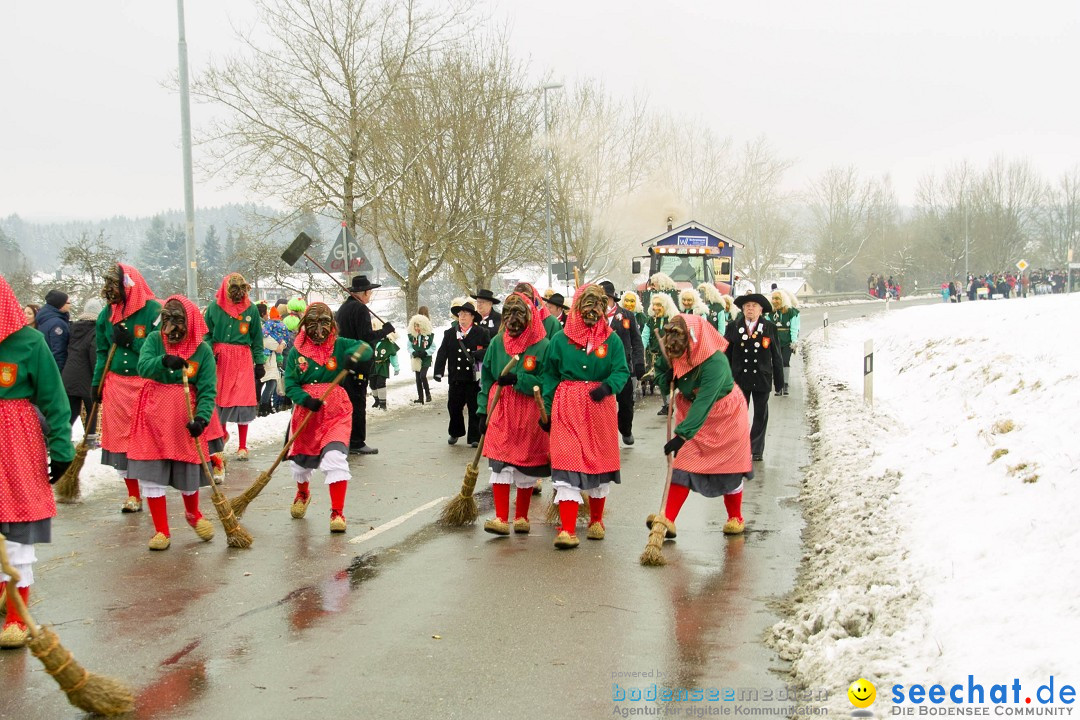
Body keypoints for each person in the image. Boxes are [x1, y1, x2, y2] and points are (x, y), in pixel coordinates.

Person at [0, 276, 75, 649]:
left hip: (14, 444)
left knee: (15, 529)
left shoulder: (29, 343)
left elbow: (54, 398)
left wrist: (62, 449)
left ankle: (16, 617)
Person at [127, 296, 226, 551]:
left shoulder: (202, 350)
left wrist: (202, 418)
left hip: (184, 417)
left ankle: (193, 514)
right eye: (167, 319)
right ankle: (161, 530)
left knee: (186, 471)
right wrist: (162, 362)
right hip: (152, 415)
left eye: (178, 320)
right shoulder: (154, 340)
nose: (171, 327)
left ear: (190, 322)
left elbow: (207, 390)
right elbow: (142, 367)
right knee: (152, 474)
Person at [647, 314, 752, 540]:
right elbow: (663, 384)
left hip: (724, 416)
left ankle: (735, 517)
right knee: (682, 465)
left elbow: (705, 401)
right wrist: (665, 374)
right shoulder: (675, 351)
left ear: (694, 342)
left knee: (730, 468)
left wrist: (681, 436)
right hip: (692, 413)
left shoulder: (715, 363)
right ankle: (668, 519)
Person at [541, 284, 630, 549]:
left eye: (597, 307)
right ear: (578, 309)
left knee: (597, 463)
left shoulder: (611, 339)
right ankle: (567, 530)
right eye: (587, 307)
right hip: (567, 406)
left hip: (599, 408)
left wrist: (608, 386)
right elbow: (549, 375)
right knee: (567, 463)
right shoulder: (559, 340)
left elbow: (622, 371)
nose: (592, 313)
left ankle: (596, 521)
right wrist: (545, 409)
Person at [283, 302, 372, 533]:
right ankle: (302, 493)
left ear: (332, 324)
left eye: (324, 323)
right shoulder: (296, 352)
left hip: (336, 410)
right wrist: (304, 398)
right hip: (308, 412)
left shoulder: (340, 344)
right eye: (313, 324)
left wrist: (355, 356)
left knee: (335, 457)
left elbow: (366, 347)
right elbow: (290, 384)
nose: (319, 329)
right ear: (304, 325)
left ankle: (337, 512)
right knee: (301, 462)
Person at [476, 292, 550, 536]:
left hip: (528, 410)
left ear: (529, 315)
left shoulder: (542, 345)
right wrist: (480, 410)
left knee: (524, 465)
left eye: (519, 313)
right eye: (508, 313)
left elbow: (547, 380)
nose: (512, 319)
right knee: (500, 461)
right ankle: (500, 518)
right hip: (500, 408)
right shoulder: (497, 343)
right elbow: (486, 377)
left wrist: (520, 379)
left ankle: (521, 517)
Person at [93, 263, 162, 513]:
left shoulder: (153, 310)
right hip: (116, 386)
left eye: (114, 284)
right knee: (120, 440)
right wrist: (96, 382)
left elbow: (160, 349)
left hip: (145, 384)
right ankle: (133, 494)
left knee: (144, 439)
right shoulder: (106, 314)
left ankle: (152, 489)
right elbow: (102, 351)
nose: (109, 290)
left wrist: (132, 341)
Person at [204, 273, 264, 461]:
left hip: (242, 358)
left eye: (242, 289)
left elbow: (256, 337)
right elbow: (206, 334)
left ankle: (243, 445)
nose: (238, 294)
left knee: (242, 399)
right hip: (220, 358)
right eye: (234, 290)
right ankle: (220, 435)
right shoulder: (214, 308)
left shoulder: (251, 310)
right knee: (220, 398)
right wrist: (208, 353)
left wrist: (260, 361)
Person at [335, 275, 393, 455]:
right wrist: (385, 331)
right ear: (365, 292)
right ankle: (357, 441)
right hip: (358, 362)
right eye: (370, 292)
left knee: (346, 403)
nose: (370, 295)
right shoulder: (360, 309)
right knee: (358, 402)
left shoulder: (342, 309)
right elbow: (366, 338)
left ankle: (345, 438)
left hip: (343, 363)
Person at [724, 294, 784, 461]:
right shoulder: (734, 326)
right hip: (739, 377)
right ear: (743, 309)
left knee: (760, 413)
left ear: (761, 309)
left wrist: (779, 383)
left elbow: (777, 355)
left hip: (761, 377)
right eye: (747, 306)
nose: (750, 308)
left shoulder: (769, 327)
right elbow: (725, 353)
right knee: (738, 414)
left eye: (754, 306)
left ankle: (756, 449)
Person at [433, 300, 489, 447]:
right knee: (454, 406)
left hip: (473, 378)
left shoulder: (481, 333)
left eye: (466, 314)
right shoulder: (450, 333)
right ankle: (455, 432)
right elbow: (442, 353)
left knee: (474, 407)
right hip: (456, 378)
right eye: (460, 314)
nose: (462, 316)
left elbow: (490, 351)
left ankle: (474, 437)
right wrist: (438, 372)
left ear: (472, 317)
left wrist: (480, 353)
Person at [599, 281, 645, 445]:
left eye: (604, 298)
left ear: (612, 298)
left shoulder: (627, 315)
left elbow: (637, 341)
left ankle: (625, 429)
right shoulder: (595, 316)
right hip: (602, 367)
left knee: (626, 403)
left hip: (624, 366)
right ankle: (605, 437)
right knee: (603, 403)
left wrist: (639, 362)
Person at [62, 298, 102, 429]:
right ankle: (89, 441)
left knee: (70, 413)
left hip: (69, 376)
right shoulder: (96, 331)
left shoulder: (73, 328)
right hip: (87, 378)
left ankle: (62, 438)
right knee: (92, 412)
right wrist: (99, 377)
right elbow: (94, 356)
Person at [642, 292, 678, 414]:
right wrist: (641, 349)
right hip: (653, 355)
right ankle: (667, 405)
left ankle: (669, 404)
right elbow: (645, 336)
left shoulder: (673, 319)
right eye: (654, 304)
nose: (655, 308)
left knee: (665, 381)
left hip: (668, 356)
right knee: (660, 381)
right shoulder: (650, 320)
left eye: (659, 305)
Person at [767, 289, 800, 396]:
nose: (775, 301)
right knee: (776, 363)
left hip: (786, 342)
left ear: (783, 300)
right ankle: (778, 385)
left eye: (777, 299)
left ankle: (785, 384)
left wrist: (794, 341)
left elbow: (794, 328)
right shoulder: (770, 313)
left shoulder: (791, 312)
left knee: (785, 361)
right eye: (773, 298)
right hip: (774, 342)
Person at [36, 290, 71, 372]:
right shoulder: (57, 324)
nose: (70, 305)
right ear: (61, 304)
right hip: (55, 369)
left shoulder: (44, 318)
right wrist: (58, 373)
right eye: (68, 303)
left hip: (44, 365)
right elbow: (59, 351)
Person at [369, 319, 399, 410]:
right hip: (372, 365)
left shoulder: (388, 342)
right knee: (372, 383)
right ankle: (376, 400)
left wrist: (396, 366)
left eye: (374, 326)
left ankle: (383, 403)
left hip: (383, 365)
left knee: (380, 383)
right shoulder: (371, 341)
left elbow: (393, 355)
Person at [407, 312, 435, 405]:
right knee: (418, 378)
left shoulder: (428, 336)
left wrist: (426, 352)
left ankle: (428, 394)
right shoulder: (412, 337)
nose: (416, 328)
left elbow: (433, 347)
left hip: (426, 359)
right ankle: (420, 398)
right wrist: (413, 352)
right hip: (416, 359)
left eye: (418, 326)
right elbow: (409, 347)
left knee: (422, 376)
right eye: (415, 326)